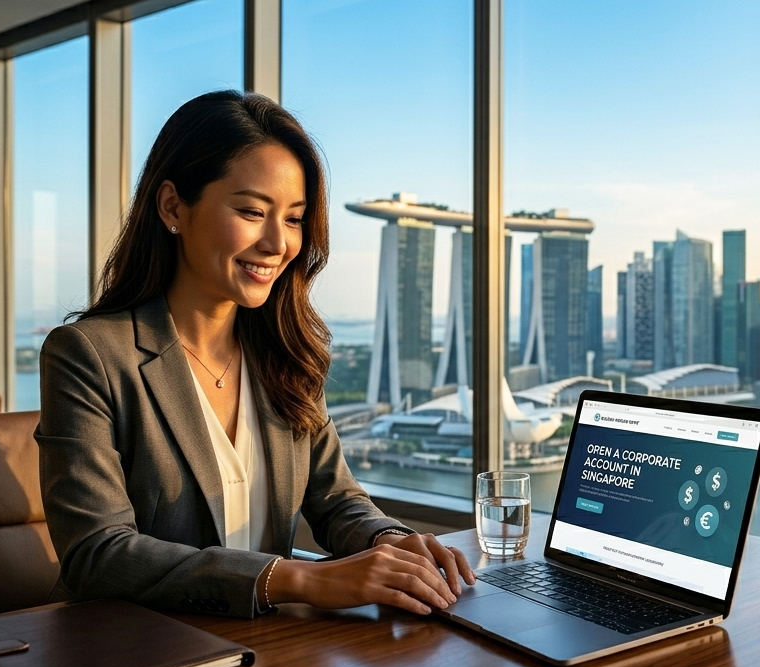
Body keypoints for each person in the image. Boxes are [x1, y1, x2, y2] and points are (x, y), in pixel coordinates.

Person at [37, 90, 475, 619]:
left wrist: (389, 541)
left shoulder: (285, 353)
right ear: (173, 206)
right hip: (139, 659)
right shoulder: (89, 356)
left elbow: (336, 500)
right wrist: (296, 579)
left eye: (293, 219)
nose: (278, 243)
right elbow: (96, 554)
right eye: (251, 211)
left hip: (270, 656)